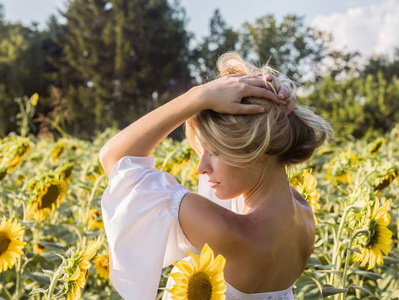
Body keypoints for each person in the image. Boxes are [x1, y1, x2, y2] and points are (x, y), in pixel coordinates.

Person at [100, 52, 332, 300]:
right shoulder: (303, 214)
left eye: (215, 151)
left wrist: (197, 96)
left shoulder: (225, 231)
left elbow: (115, 159)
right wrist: (269, 100)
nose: (201, 167)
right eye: (201, 151)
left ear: (257, 149)